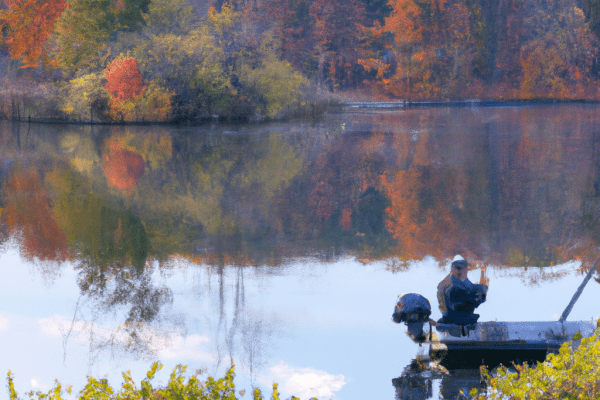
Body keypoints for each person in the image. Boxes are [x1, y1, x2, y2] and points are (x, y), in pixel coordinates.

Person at [437, 255, 489, 325]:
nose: (466, 273)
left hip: (457, 318)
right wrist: (483, 293)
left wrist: (482, 272)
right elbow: (473, 301)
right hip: (459, 321)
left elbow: (474, 288)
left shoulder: (460, 282)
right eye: (465, 271)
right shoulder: (455, 288)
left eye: (466, 271)